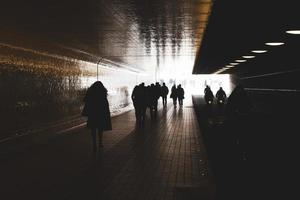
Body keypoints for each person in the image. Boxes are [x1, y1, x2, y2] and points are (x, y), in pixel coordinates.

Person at [82, 81, 112, 152]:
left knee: (93, 129)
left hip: (93, 113)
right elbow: (105, 104)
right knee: (100, 128)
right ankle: (100, 142)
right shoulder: (103, 93)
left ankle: (94, 144)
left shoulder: (91, 92)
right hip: (100, 113)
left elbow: (84, 100)